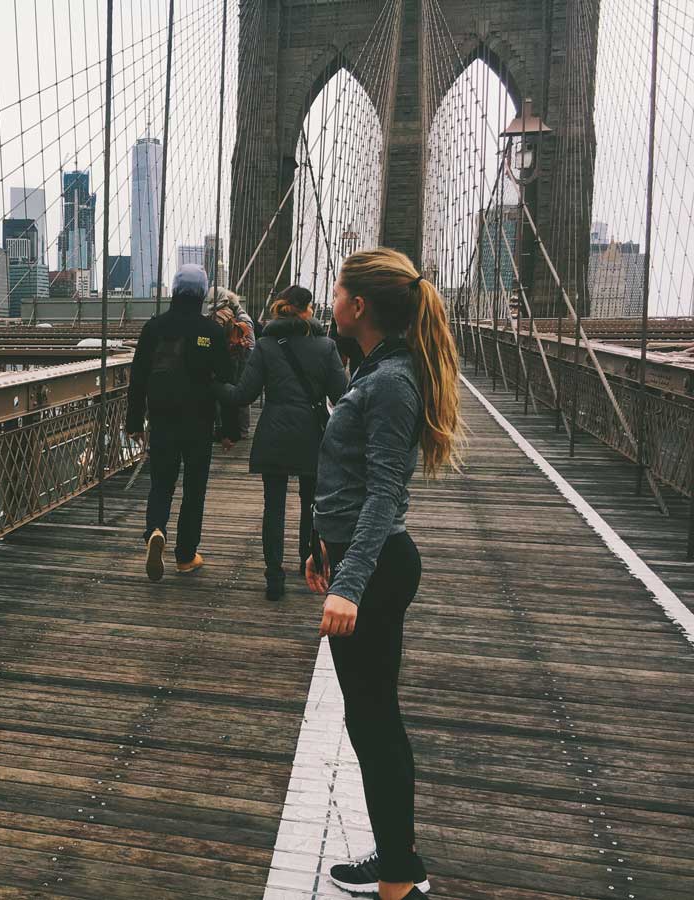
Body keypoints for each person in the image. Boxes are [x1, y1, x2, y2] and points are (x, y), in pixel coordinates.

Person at [304, 248, 463, 900]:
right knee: (371, 720)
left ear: (358, 304)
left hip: (376, 570)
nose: (328, 298)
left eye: (336, 288)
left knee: (374, 722)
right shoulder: (377, 372)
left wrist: (349, 583)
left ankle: (400, 872)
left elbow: (383, 494)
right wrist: (324, 548)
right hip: (358, 561)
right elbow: (353, 482)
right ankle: (398, 853)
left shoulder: (391, 382)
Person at [213, 285, 347, 601]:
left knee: (273, 507)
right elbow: (342, 396)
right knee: (311, 501)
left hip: (273, 433)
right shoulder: (326, 347)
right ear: (307, 309)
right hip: (312, 433)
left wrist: (213, 385)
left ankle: (274, 577)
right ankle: (307, 559)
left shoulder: (266, 346)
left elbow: (243, 394)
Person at [127, 264, 240, 582]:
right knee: (194, 490)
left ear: (174, 291)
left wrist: (134, 421)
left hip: (162, 419)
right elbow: (226, 383)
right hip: (199, 421)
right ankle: (186, 555)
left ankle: (155, 530)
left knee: (161, 483)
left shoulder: (154, 327)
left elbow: (138, 379)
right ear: (203, 294)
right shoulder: (212, 332)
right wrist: (229, 431)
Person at [204, 286, 256, 437]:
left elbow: (249, 343)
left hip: (241, 358)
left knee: (237, 392)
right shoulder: (237, 316)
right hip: (240, 357)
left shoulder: (238, 318)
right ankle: (239, 429)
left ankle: (240, 430)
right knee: (237, 391)